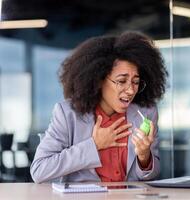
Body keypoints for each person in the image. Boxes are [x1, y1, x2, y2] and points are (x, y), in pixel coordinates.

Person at [30, 31, 168, 183]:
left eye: (135, 82)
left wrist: (144, 156)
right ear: (99, 79)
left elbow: (151, 174)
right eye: (122, 81)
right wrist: (94, 145)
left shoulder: (146, 113)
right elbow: (39, 170)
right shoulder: (68, 114)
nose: (130, 90)